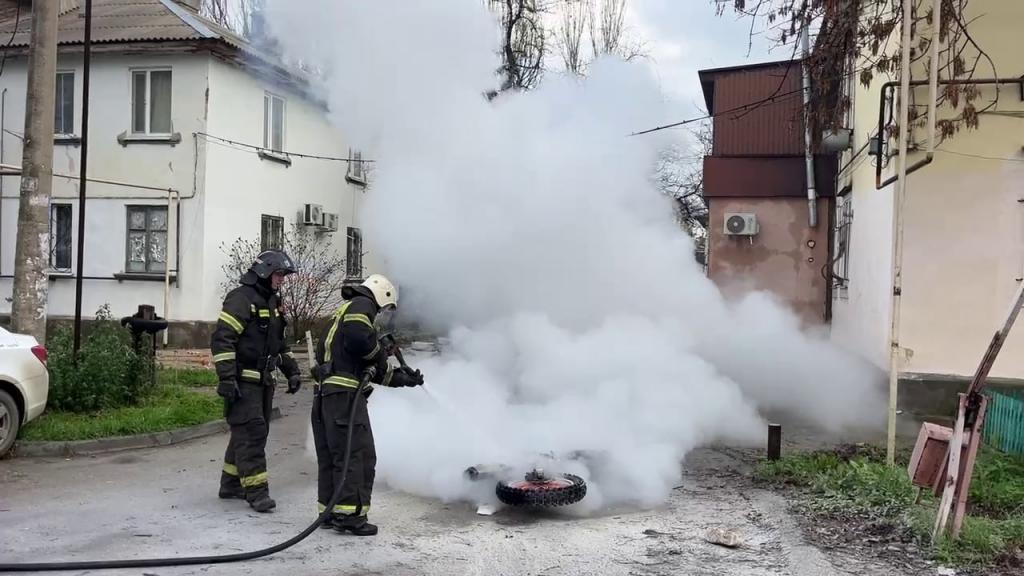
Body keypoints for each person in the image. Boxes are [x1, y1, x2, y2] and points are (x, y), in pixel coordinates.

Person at [311, 274, 424, 536]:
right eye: (385, 309)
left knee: (334, 456)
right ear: (382, 295)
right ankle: (351, 517)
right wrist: (380, 355)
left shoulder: (344, 311)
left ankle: (330, 512)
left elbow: (369, 369)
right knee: (358, 455)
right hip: (345, 397)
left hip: (328, 394)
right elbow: (361, 340)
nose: (381, 315)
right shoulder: (362, 305)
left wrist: (404, 379)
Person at [211, 250, 303, 513]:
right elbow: (223, 339)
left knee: (247, 433)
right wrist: (227, 378)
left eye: (283, 275)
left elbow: (279, 343)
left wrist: (292, 371)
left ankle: (231, 484)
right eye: (279, 274)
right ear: (264, 271)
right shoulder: (241, 298)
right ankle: (257, 492)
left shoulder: (273, 301)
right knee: (252, 434)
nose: (282, 279)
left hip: (263, 382)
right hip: (243, 382)